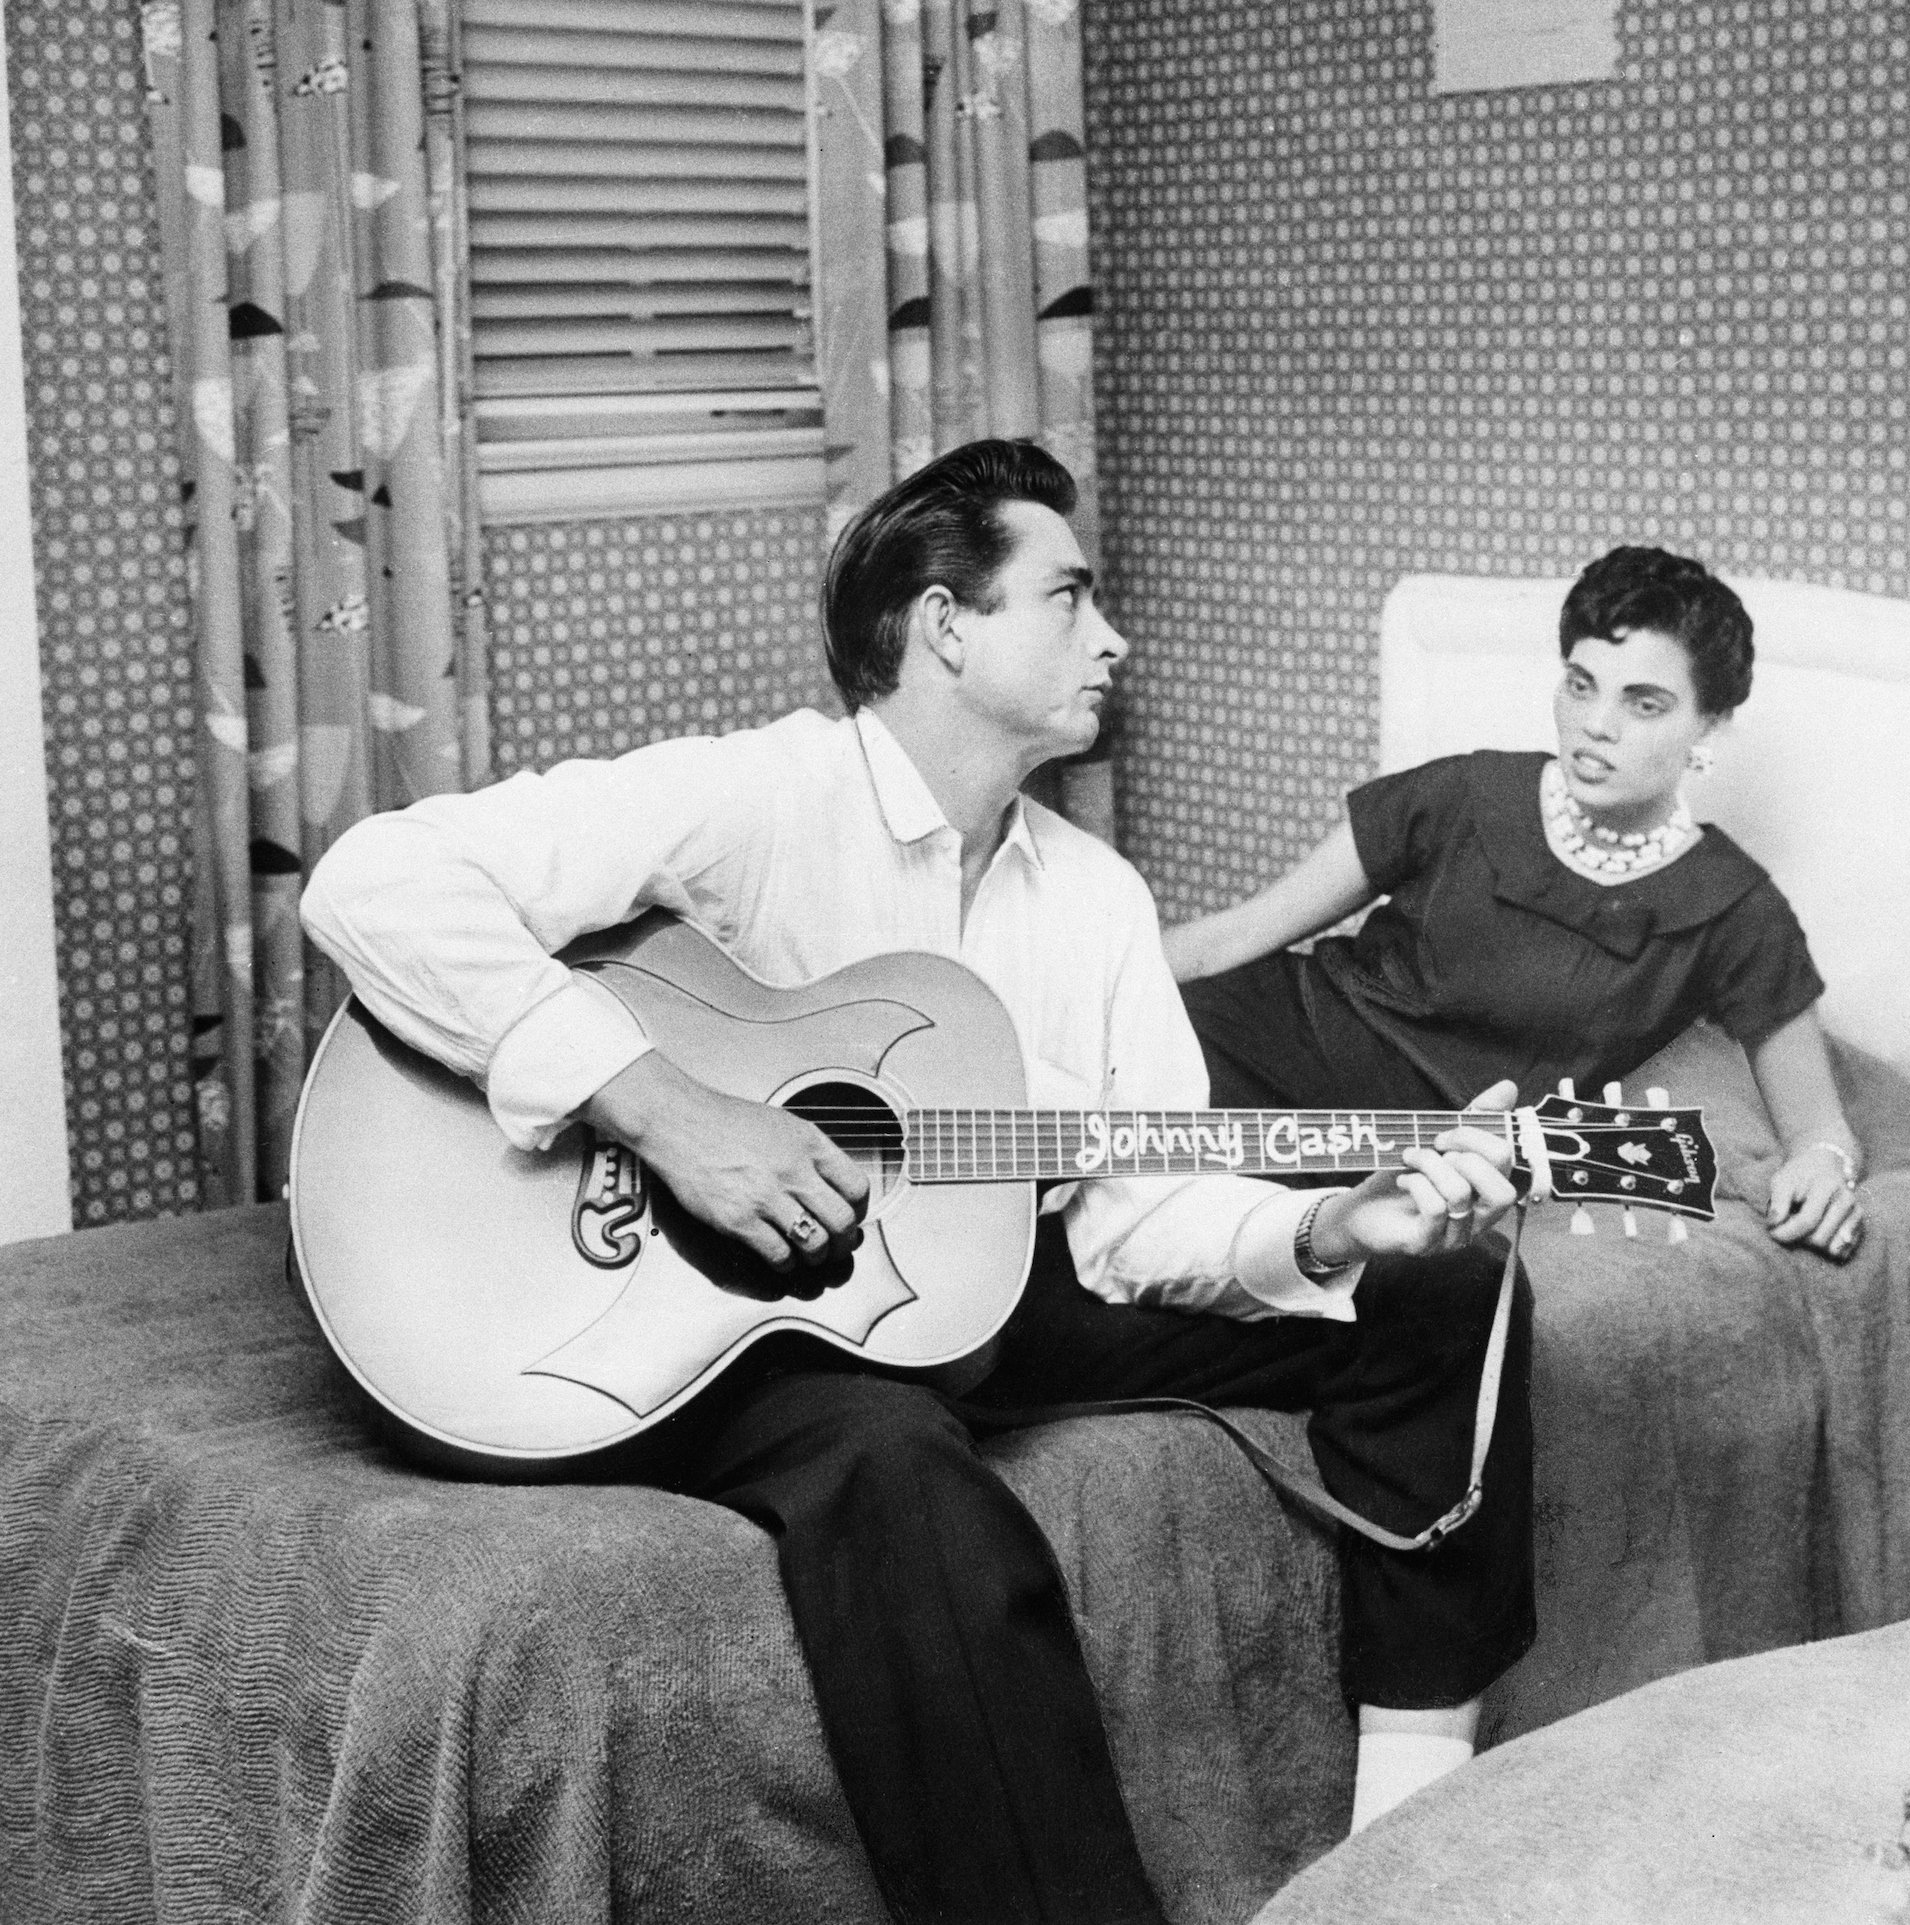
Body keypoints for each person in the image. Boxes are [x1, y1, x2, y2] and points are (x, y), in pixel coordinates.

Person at [300, 439, 1536, 1925]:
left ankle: (1415, 1850)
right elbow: (373, 880)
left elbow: (1143, 1212)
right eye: (1070, 597)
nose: (1114, 636)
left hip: (979, 1283)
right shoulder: (756, 798)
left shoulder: (1096, 896)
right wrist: (671, 1110)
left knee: (1446, 1278)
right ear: (946, 626)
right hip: (716, 1315)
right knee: (897, 1463)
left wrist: (1340, 1223)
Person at [1168, 544, 1865, 1262]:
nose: (1598, 724)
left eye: (1644, 703)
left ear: (1710, 725)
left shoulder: (1732, 905)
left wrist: (1823, 1166)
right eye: (1581, 684)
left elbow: (1818, 1127)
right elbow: (1235, 935)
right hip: (1267, 1042)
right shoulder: (1463, 794)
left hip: (1425, 1158)